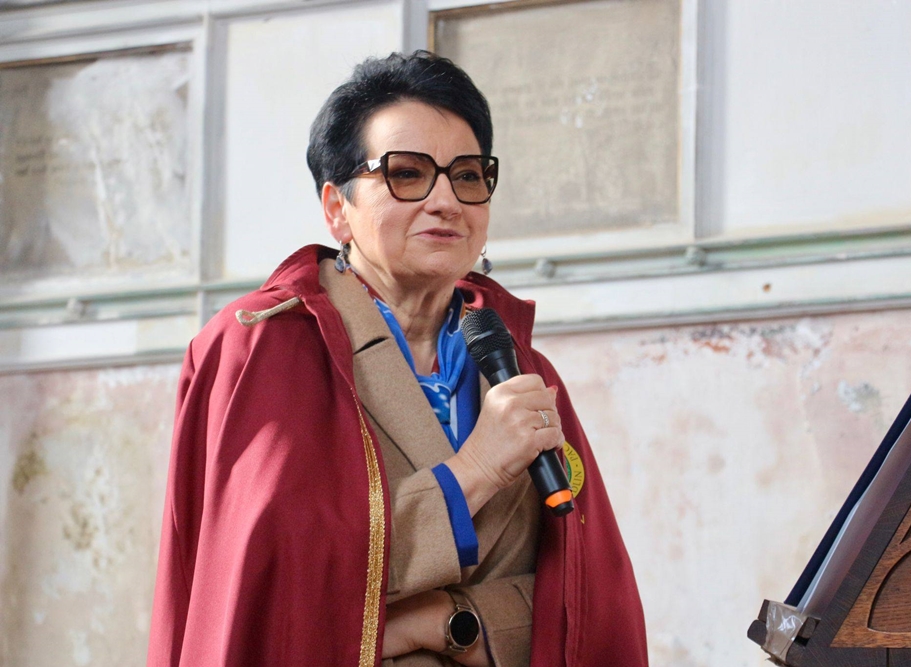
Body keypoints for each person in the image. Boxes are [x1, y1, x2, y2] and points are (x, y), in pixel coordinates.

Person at [147, 51, 646, 666]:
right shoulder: (262, 348)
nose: (446, 201)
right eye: (407, 174)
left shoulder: (519, 365)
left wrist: (446, 623)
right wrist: (475, 470)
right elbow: (269, 591)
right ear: (337, 209)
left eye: (468, 176)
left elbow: (583, 599)